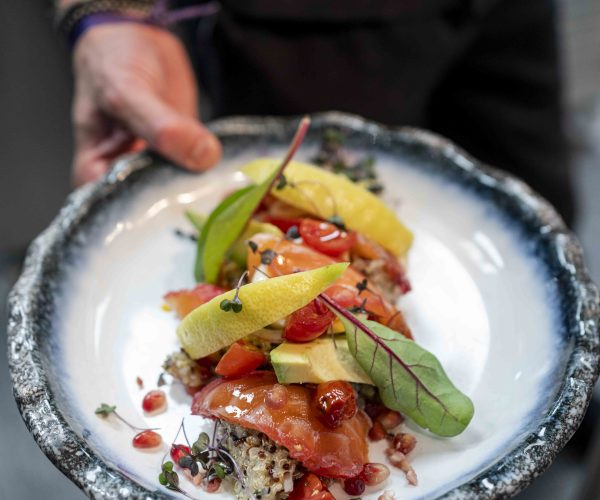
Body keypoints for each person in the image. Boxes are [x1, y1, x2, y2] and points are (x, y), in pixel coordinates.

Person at [55, 0, 575, 224]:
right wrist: (107, 10)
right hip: (307, 28)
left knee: (542, 207)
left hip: (509, 14)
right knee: (308, 235)